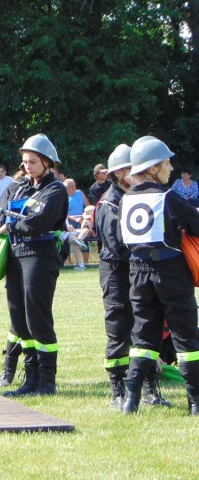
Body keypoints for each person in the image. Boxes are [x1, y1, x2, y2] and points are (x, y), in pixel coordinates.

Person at [118, 136, 199, 416]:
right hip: (171, 272)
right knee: (187, 337)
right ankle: (195, 403)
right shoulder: (168, 197)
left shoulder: (126, 199)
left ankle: (131, 402)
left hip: (138, 274)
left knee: (143, 338)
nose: (171, 169)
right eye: (166, 163)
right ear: (152, 169)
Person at [94, 143, 171, 410]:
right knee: (118, 329)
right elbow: (117, 245)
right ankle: (117, 390)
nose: (135, 172)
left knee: (146, 330)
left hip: (140, 271)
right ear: (117, 173)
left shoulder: (138, 196)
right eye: (129, 169)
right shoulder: (109, 203)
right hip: (117, 272)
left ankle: (150, 388)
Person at [0, 134, 68, 397]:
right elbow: (0, 215)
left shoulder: (55, 190)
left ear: (47, 162)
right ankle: (31, 378)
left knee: (38, 318)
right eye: (24, 162)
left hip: (40, 254)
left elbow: (39, 222)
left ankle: (47, 382)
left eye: (33, 162)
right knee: (19, 318)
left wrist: (12, 224)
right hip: (15, 253)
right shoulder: (17, 186)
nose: (27, 167)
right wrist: (7, 226)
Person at [63, 178, 90, 269]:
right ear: (66, 188)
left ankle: (84, 263)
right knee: (67, 243)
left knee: (86, 224)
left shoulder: (80, 193)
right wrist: (72, 218)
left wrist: (84, 215)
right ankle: (72, 264)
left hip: (81, 221)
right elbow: (61, 213)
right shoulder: (63, 197)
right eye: (71, 186)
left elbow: (88, 207)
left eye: (74, 185)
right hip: (69, 225)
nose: (74, 188)